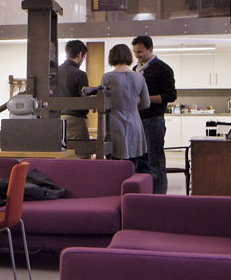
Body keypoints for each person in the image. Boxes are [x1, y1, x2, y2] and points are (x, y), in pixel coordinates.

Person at [86, 44, 149, 173]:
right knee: (132, 164)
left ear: (112, 57)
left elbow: (102, 102)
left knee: (114, 164)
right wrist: (133, 104)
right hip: (134, 122)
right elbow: (146, 103)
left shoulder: (108, 77)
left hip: (114, 122)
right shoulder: (139, 77)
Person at [132, 35, 177, 194]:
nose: (137, 55)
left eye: (140, 52)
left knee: (155, 162)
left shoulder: (163, 69)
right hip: (137, 120)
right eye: (135, 52)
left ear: (150, 49)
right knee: (140, 162)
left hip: (153, 120)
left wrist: (145, 99)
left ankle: (159, 198)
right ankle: (143, 196)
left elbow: (170, 96)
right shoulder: (135, 69)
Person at [53, 39, 89, 144]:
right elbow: (84, 103)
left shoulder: (54, 73)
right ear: (80, 55)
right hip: (75, 122)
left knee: (62, 158)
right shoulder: (80, 74)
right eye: (84, 57)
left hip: (55, 122)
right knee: (80, 156)